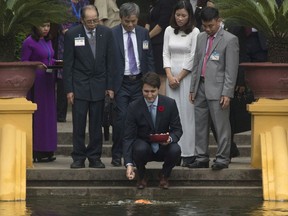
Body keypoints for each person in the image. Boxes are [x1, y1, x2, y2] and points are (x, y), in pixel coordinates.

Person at [63, 5, 115, 169]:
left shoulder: (106, 33)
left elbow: (110, 62)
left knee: (96, 124)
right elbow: (68, 64)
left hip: (99, 84)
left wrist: (110, 86)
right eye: (89, 21)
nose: (93, 23)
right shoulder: (72, 34)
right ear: (82, 20)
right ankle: (78, 157)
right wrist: (69, 89)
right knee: (78, 123)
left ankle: (94, 157)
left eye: (95, 20)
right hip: (80, 84)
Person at [188, 7, 239, 170]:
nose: (208, 29)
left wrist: (227, 92)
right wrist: (192, 88)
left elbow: (231, 70)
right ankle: (201, 156)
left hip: (218, 88)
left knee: (221, 125)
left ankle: (223, 158)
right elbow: (196, 63)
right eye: (205, 26)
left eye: (211, 25)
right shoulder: (201, 37)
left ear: (219, 21)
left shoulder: (230, 40)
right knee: (200, 124)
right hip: (200, 85)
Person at [111, 2, 154, 167]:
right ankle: (117, 154)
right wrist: (109, 86)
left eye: (133, 21)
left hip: (139, 82)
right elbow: (107, 61)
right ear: (121, 18)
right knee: (121, 120)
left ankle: (136, 155)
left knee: (139, 119)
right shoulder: (112, 34)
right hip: (121, 83)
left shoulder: (143, 33)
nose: (130, 25)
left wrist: (151, 80)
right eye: (127, 21)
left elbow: (149, 56)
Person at [123, 72, 182, 189]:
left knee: (176, 149)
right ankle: (142, 175)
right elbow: (128, 137)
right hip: (144, 146)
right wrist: (129, 164)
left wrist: (169, 139)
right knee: (138, 148)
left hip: (163, 146)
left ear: (158, 89)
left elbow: (177, 130)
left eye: (153, 91)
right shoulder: (134, 106)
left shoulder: (170, 104)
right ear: (141, 90)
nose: (150, 95)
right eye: (146, 91)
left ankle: (164, 175)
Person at [163, 0, 199, 167]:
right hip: (172, 78)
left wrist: (180, 76)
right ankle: (174, 151)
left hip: (187, 77)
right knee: (173, 114)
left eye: (184, 15)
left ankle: (189, 152)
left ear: (189, 16)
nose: (180, 18)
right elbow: (165, 54)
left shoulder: (195, 32)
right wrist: (170, 76)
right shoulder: (169, 30)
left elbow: (193, 57)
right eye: (178, 15)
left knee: (187, 114)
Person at [21, 22, 57, 163]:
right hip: (37, 83)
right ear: (35, 26)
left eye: (48, 25)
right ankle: (37, 151)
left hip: (48, 81)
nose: (46, 28)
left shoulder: (48, 40)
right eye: (42, 26)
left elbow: (49, 58)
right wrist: (35, 65)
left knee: (49, 116)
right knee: (40, 116)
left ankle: (48, 149)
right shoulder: (28, 42)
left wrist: (57, 61)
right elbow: (23, 62)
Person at [57, 0, 90, 122]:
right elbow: (63, 26)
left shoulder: (85, 2)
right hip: (65, 41)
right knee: (63, 73)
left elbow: (89, 22)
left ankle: (81, 113)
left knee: (81, 70)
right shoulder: (63, 2)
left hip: (83, 40)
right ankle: (61, 114)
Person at [145, 0, 177, 95]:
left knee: (161, 76)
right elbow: (148, 22)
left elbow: (161, 25)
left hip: (160, 43)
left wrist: (146, 37)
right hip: (151, 43)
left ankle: (161, 103)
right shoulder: (154, 4)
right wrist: (144, 35)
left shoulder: (166, 3)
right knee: (152, 74)